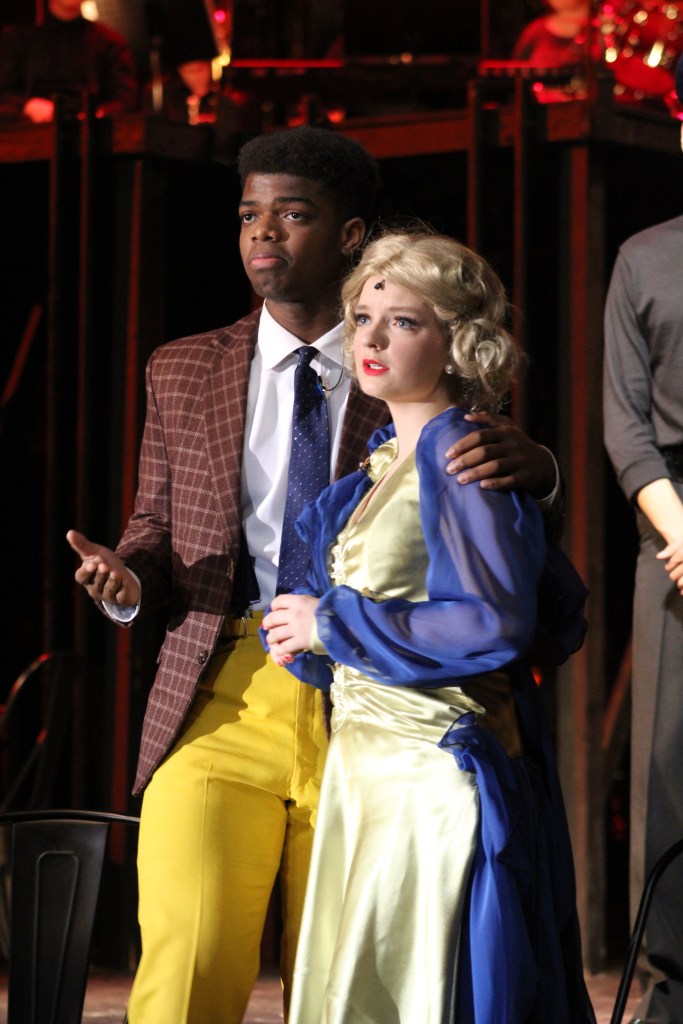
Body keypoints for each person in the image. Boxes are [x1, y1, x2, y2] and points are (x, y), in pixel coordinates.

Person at [66, 126, 562, 1023]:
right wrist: (128, 581)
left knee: (339, 977)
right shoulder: (182, 369)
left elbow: (495, 548)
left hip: (379, 701)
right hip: (227, 681)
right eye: (247, 215)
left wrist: (543, 472)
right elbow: (154, 526)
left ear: (350, 235)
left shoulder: (407, 370)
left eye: (292, 215)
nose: (263, 233)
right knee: (185, 953)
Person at [262, 229, 595, 1024]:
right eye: (363, 317)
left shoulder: (460, 458)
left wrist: (330, 625)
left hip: (427, 781)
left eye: (404, 322)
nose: (371, 339)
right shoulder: (381, 468)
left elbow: (492, 623)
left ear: (456, 343)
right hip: (368, 774)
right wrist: (305, 637)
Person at [604, 205, 683, 1021]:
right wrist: (680, 530)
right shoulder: (645, 257)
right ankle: (672, 991)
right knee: (669, 769)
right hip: (673, 531)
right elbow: (626, 429)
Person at [0, 0, 137, 122]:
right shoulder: (16, 39)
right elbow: (4, 92)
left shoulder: (109, 42)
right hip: (30, 132)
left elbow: (126, 98)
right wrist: (26, 105)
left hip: (91, 134)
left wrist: (99, 114)